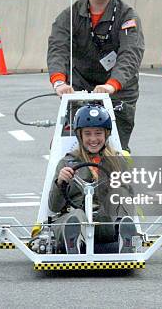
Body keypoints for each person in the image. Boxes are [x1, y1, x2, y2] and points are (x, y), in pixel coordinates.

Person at [47, 0, 145, 152]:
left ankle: (118, 181)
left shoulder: (127, 16)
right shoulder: (70, 15)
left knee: (114, 149)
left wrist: (111, 85)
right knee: (67, 148)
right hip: (80, 89)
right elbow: (58, 47)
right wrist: (59, 82)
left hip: (118, 92)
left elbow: (131, 53)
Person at [49, 104, 138, 254]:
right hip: (77, 215)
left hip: (106, 221)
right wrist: (60, 182)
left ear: (106, 135)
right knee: (75, 217)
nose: (93, 139)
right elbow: (54, 207)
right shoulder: (67, 163)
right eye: (88, 134)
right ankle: (73, 242)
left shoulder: (118, 161)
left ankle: (125, 238)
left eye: (98, 133)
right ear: (80, 136)